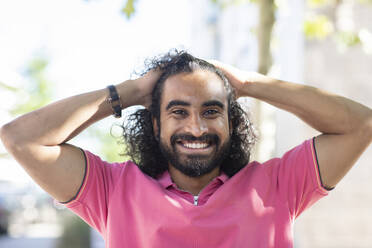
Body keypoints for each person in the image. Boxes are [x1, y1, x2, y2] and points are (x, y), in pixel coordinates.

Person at [0, 50, 371, 248]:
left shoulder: (279, 185)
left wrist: (251, 83)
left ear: (231, 122)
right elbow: (20, 138)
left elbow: (361, 125)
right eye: (179, 111)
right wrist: (130, 91)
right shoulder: (111, 190)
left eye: (212, 111)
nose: (196, 127)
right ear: (156, 123)